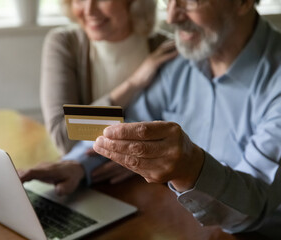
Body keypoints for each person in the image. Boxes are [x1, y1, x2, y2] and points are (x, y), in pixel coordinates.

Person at [21, 0, 281, 238]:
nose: (171, 17)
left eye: (189, 1)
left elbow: (253, 209)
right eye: (168, 1)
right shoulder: (178, 63)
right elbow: (129, 124)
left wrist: (190, 168)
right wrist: (76, 165)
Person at [36, 0, 177, 186]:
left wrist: (135, 158)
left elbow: (179, 139)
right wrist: (134, 83)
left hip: (148, 182)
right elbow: (64, 138)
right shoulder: (65, 43)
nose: (89, 10)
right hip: (81, 176)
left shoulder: (166, 48)